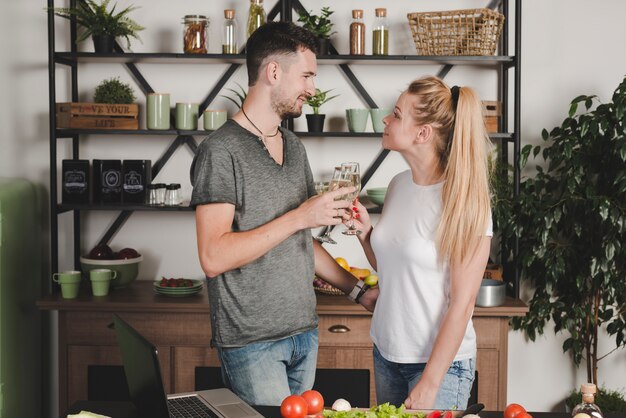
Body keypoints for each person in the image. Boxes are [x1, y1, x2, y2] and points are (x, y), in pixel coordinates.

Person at [189, 21, 378, 407]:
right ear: (274, 72)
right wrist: (299, 216)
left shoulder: (294, 146)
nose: (312, 88)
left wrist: (358, 292)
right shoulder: (220, 151)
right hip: (251, 342)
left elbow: (301, 242)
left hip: (304, 335)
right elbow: (213, 257)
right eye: (306, 75)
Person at [346, 76, 492, 410]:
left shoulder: (463, 200)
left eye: (396, 114)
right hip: (387, 353)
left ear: (422, 133)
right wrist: (366, 234)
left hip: (439, 366)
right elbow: (397, 270)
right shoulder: (399, 185)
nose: (386, 119)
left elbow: (462, 303)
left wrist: (430, 382)